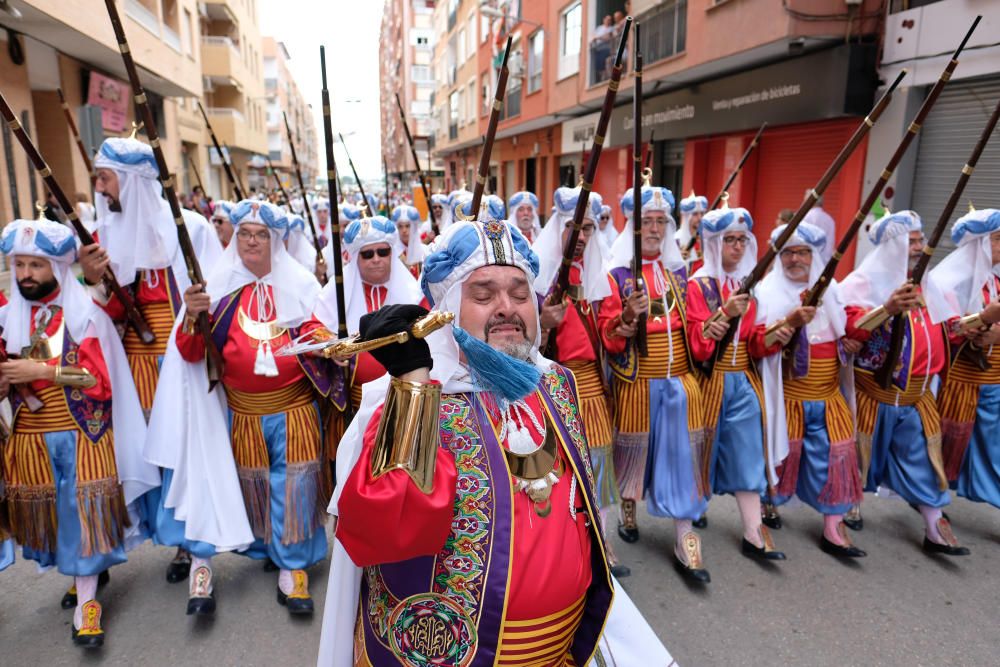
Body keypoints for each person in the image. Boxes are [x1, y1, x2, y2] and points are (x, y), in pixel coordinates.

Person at [317, 217, 674, 667]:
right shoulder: (414, 400)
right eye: (483, 295)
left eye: (520, 293)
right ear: (447, 309)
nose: (506, 307)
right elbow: (386, 533)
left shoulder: (557, 384)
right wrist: (412, 385)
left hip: (564, 650)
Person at [146, 200, 333, 617]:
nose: (252, 241)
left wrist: (330, 345)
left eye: (261, 234)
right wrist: (194, 319)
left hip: (295, 408)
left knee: (294, 486)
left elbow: (315, 330)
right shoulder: (216, 288)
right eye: (245, 233)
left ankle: (294, 568)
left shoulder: (301, 283)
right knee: (255, 486)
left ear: (276, 240)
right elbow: (193, 353)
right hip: (241, 412)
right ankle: (265, 548)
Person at [0, 217, 158, 647]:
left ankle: (88, 602)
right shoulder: (4, 315)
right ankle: (83, 575)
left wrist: (40, 371)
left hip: (83, 434)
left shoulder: (85, 313)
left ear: (56, 266)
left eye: (37, 264)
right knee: (55, 519)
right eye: (20, 265)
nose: (27, 274)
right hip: (31, 437)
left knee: (83, 515)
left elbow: (98, 382)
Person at [79, 136, 223, 585]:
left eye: (105, 178)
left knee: (189, 450)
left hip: (185, 353)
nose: (100, 188)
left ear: (130, 181)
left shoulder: (191, 228)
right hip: (134, 361)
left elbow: (216, 293)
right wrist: (95, 280)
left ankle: (199, 551)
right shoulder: (104, 240)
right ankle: (173, 539)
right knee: (153, 454)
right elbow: (104, 313)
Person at [599, 182, 714, 581]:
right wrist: (628, 319)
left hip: (680, 384)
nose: (654, 228)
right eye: (646, 221)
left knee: (683, 461)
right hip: (637, 383)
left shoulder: (679, 275)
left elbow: (695, 335)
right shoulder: (614, 276)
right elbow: (609, 339)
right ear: (632, 225)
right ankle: (628, 509)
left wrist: (711, 332)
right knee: (631, 460)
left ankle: (686, 538)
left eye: (660, 221)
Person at [839, 210, 967, 555]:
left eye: (920, 240)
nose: (918, 247)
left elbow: (951, 325)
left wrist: (976, 324)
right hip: (874, 395)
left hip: (918, 396)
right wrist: (888, 306)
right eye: (910, 241)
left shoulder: (932, 283)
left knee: (925, 458)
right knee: (859, 456)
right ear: (891, 246)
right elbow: (851, 327)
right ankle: (848, 505)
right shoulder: (860, 283)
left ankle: (933, 523)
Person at [756, 222, 866, 558]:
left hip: (828, 391)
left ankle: (833, 524)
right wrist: (787, 325)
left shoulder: (831, 289)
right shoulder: (766, 292)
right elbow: (757, 342)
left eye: (802, 251)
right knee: (781, 456)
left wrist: (860, 332)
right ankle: (767, 506)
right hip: (787, 394)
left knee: (836, 455)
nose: (794, 259)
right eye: (787, 252)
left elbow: (849, 321)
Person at [533, 186, 627, 575]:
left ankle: (601, 545)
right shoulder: (532, 277)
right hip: (544, 384)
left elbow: (610, 337)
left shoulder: (601, 278)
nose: (583, 235)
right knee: (551, 472)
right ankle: (556, 550)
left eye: (588, 226)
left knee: (599, 465)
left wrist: (627, 322)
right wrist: (541, 324)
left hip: (587, 386)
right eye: (574, 226)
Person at [686, 205, 787, 560]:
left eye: (742, 240)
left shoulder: (752, 287)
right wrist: (724, 313)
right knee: (702, 449)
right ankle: (693, 512)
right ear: (713, 243)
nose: (737, 247)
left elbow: (755, 340)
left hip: (743, 379)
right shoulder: (699, 285)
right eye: (729, 240)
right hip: (709, 381)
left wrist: (776, 335)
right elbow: (696, 342)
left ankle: (752, 530)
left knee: (748, 453)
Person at [314, 214, 423, 449]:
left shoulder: (413, 292)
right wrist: (331, 345)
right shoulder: (336, 291)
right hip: (353, 404)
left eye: (383, 252)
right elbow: (314, 327)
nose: (376, 259)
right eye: (367, 254)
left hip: (406, 401)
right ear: (355, 257)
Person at [926, 208, 1000, 514]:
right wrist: (979, 323)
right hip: (956, 381)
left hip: (993, 380)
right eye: (998, 239)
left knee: (993, 447)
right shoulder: (946, 280)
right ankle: (931, 501)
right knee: (945, 443)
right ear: (980, 243)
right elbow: (945, 327)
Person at [389, 204, 426, 279]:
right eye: (400, 226)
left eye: (407, 226)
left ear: (414, 227)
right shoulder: (391, 252)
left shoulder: (425, 251)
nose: (404, 230)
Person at [677, 191, 707, 272]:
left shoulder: (705, 239)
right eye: (695, 214)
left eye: (702, 213)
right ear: (687, 217)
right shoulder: (676, 240)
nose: (700, 218)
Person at [802, 193, 836, 263]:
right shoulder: (829, 219)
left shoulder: (804, 217)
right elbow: (830, 242)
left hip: (806, 261)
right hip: (824, 261)